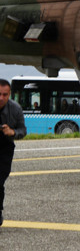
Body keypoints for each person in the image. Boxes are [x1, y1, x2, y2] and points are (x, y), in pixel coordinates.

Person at [0, 79, 26, 227]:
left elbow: (23, 131)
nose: (1, 98)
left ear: (9, 94)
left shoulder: (15, 109)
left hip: (5, 148)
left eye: (5, 94)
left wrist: (12, 132)